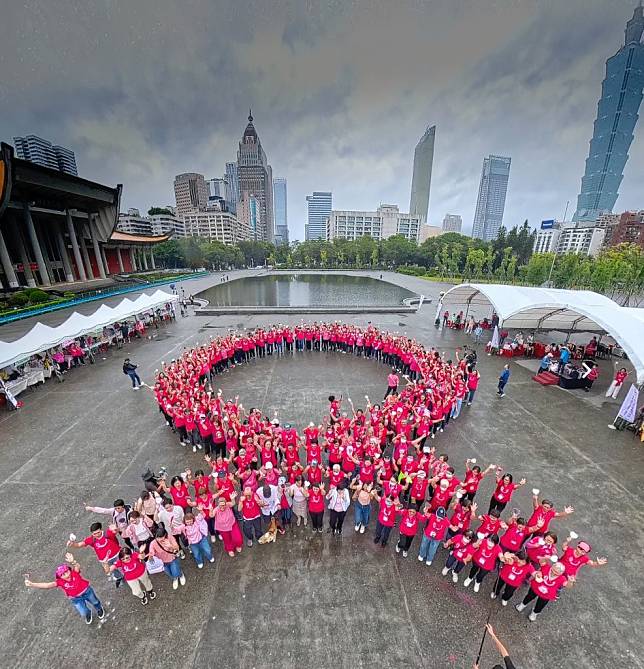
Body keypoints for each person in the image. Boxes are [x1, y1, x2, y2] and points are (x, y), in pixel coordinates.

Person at [24, 553, 105, 624]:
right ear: (60, 577)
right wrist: (32, 584)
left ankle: (99, 609)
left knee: (95, 601)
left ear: (69, 570)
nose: (66, 575)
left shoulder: (75, 573)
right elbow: (47, 585)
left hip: (87, 591)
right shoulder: (60, 582)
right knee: (83, 611)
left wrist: (73, 561)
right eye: (62, 574)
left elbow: (77, 567)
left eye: (66, 572)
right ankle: (88, 613)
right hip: (75, 598)